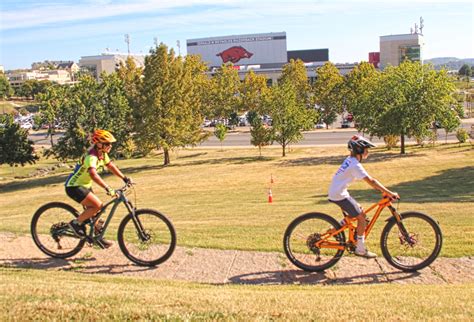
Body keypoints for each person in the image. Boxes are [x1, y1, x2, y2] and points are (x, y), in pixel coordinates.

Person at [328, 135, 399, 258]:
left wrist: (382, 190)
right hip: (339, 194)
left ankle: (335, 229)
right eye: (366, 149)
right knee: (361, 218)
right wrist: (389, 192)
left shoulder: (350, 160)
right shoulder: (355, 164)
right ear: (359, 150)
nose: (368, 152)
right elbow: (371, 181)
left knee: (361, 214)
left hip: (339, 192)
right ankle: (360, 249)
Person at [65, 129, 132, 248]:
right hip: (74, 186)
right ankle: (75, 224)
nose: (110, 146)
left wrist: (124, 178)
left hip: (85, 185)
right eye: (107, 143)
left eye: (110, 143)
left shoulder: (102, 154)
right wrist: (107, 188)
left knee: (96, 213)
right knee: (97, 206)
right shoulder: (92, 157)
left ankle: (97, 238)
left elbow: (111, 166)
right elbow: (93, 175)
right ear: (99, 144)